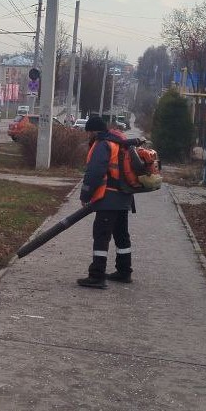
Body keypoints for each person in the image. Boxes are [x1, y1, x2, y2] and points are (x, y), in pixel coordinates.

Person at [77, 115, 134, 289]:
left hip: (108, 198)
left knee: (101, 236)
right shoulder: (119, 141)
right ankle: (124, 271)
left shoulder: (102, 145)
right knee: (122, 235)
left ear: (94, 131)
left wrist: (85, 195)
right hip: (124, 196)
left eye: (88, 132)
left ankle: (97, 276)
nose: (88, 136)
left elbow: (94, 172)